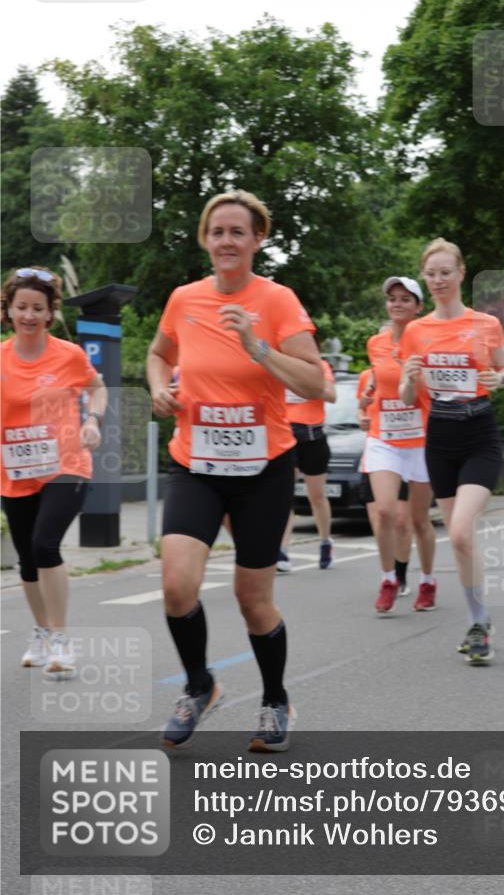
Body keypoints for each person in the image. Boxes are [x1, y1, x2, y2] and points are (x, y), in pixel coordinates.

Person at [147, 190, 323, 752]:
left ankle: (275, 700)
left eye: (237, 232)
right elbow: (159, 354)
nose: (226, 241)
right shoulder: (184, 299)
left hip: (263, 470)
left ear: (257, 239)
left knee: (252, 598)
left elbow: (316, 383)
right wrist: (159, 387)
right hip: (195, 464)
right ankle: (200, 686)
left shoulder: (277, 301)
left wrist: (257, 346)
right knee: (176, 585)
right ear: (206, 238)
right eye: (217, 231)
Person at [400, 239, 504, 664]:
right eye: (431, 274)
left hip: (479, 433)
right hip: (440, 438)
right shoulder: (416, 331)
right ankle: (478, 620)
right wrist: (408, 379)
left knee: (462, 531)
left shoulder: (486, 323)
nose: (438, 280)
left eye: (445, 272)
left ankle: (479, 623)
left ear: (461, 273)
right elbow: (407, 397)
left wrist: (500, 379)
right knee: (460, 540)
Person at [1, 267, 106, 679]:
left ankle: (61, 638)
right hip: (16, 469)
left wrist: (93, 420)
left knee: (45, 544)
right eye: (21, 307)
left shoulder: (68, 355)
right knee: (28, 559)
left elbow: (96, 388)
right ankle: (43, 631)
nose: (29, 315)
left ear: (49, 313)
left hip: (67, 463)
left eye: (37, 308)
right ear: (9, 311)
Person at [365, 277, 436, 616]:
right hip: (384, 437)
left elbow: (433, 392)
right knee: (384, 512)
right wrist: (369, 397)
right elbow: (379, 382)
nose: (397, 304)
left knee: (419, 520)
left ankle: (428, 581)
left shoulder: (429, 343)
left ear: (418, 306)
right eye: (392, 298)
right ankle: (388, 579)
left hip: (421, 440)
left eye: (405, 299)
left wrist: (414, 375)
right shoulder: (375, 343)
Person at [278, 351, 337, 572]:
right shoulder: (279, 363)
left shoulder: (319, 365)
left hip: (313, 436)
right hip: (286, 435)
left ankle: (325, 541)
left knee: (317, 496)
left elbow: (332, 395)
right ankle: (282, 551)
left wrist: (308, 385)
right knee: (285, 494)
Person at [357, 366, 414, 594]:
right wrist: (361, 418)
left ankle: (401, 574)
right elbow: (361, 409)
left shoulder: (412, 372)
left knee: (401, 521)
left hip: (406, 454)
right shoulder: (367, 376)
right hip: (376, 456)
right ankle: (387, 576)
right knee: (381, 519)